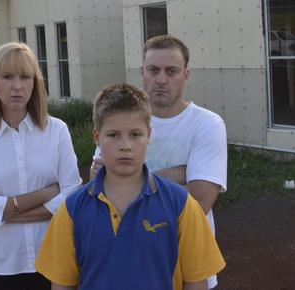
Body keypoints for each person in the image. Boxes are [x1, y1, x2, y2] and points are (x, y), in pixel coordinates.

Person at [36, 83, 225, 290]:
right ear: (97, 138)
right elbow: (62, 285)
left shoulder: (181, 205)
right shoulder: (72, 210)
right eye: (113, 135)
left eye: (135, 135)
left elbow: (196, 282)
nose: (125, 145)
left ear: (149, 136)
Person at [90, 35, 228, 288]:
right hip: (125, 266)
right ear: (142, 72)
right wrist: (176, 175)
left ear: (186, 75)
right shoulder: (121, 118)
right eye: (153, 70)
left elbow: (200, 201)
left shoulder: (206, 124)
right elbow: (98, 191)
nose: (161, 79)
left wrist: (125, 181)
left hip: (188, 268)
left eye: (172, 71)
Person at [0, 42, 81, 290]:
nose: (17, 86)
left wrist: (6, 212)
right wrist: (45, 194)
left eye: (25, 77)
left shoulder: (56, 130)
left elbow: (73, 195)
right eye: (7, 77)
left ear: (35, 82)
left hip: (53, 260)